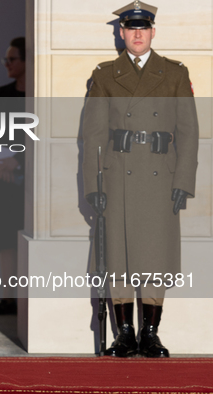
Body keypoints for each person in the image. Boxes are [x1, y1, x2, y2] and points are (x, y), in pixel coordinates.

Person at [82, 1, 198, 358]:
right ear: (121, 32)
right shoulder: (105, 74)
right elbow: (93, 135)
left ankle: (150, 333)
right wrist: (92, 185)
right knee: (117, 254)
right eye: (130, 28)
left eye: (143, 28)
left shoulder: (174, 73)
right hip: (118, 174)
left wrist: (183, 181)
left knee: (154, 254)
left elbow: (189, 132)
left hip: (160, 175)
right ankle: (124, 334)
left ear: (152, 32)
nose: (136, 34)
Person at [0, 37, 26, 315]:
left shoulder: (38, 94)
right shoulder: (2, 93)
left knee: (25, 236)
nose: (7, 65)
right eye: (6, 60)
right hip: (1, 177)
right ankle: (8, 296)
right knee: (4, 239)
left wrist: (18, 161)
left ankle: (26, 296)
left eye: (12, 59)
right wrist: (3, 160)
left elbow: (43, 136)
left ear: (26, 61)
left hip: (29, 179)